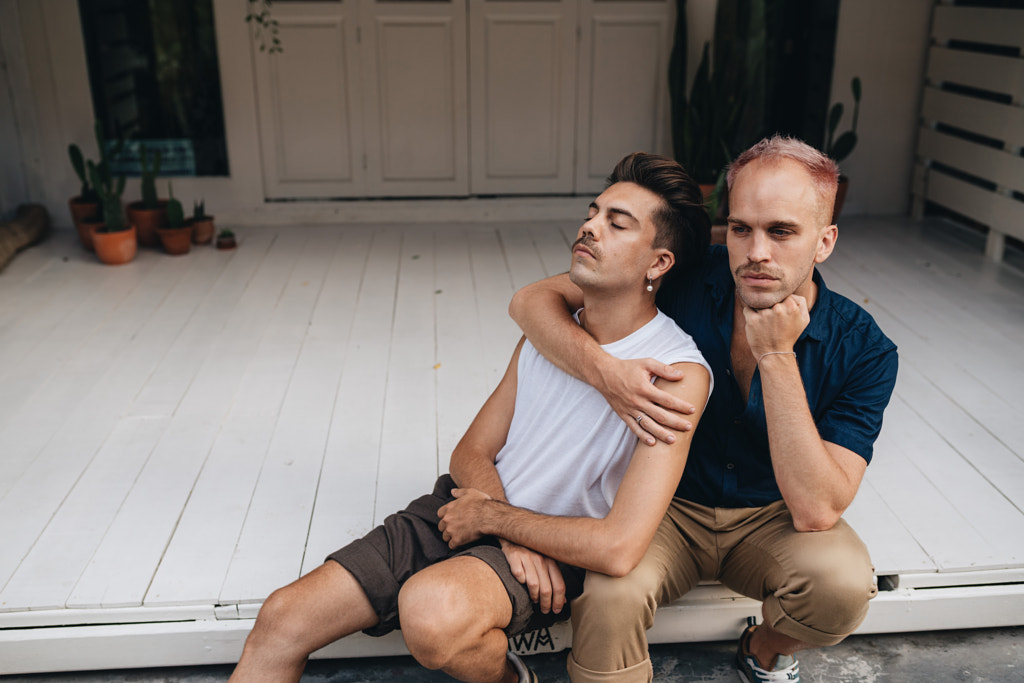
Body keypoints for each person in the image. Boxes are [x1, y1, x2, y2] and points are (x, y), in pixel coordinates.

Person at [229, 152, 713, 683]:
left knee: (431, 613)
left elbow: (619, 548)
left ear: (659, 263)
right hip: (468, 507)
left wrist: (496, 523)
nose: (590, 227)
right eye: (593, 212)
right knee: (281, 618)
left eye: (616, 224)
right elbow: (471, 452)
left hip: (553, 550)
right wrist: (500, 524)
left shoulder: (676, 373)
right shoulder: (553, 333)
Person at [506, 136, 899, 682]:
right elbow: (531, 301)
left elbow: (816, 510)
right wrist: (608, 375)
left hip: (772, 518)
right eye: (741, 228)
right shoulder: (687, 274)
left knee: (842, 586)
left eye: (781, 231)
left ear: (824, 241)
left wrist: (777, 356)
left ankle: (763, 649)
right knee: (608, 596)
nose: (756, 252)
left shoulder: (865, 349)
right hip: (663, 507)